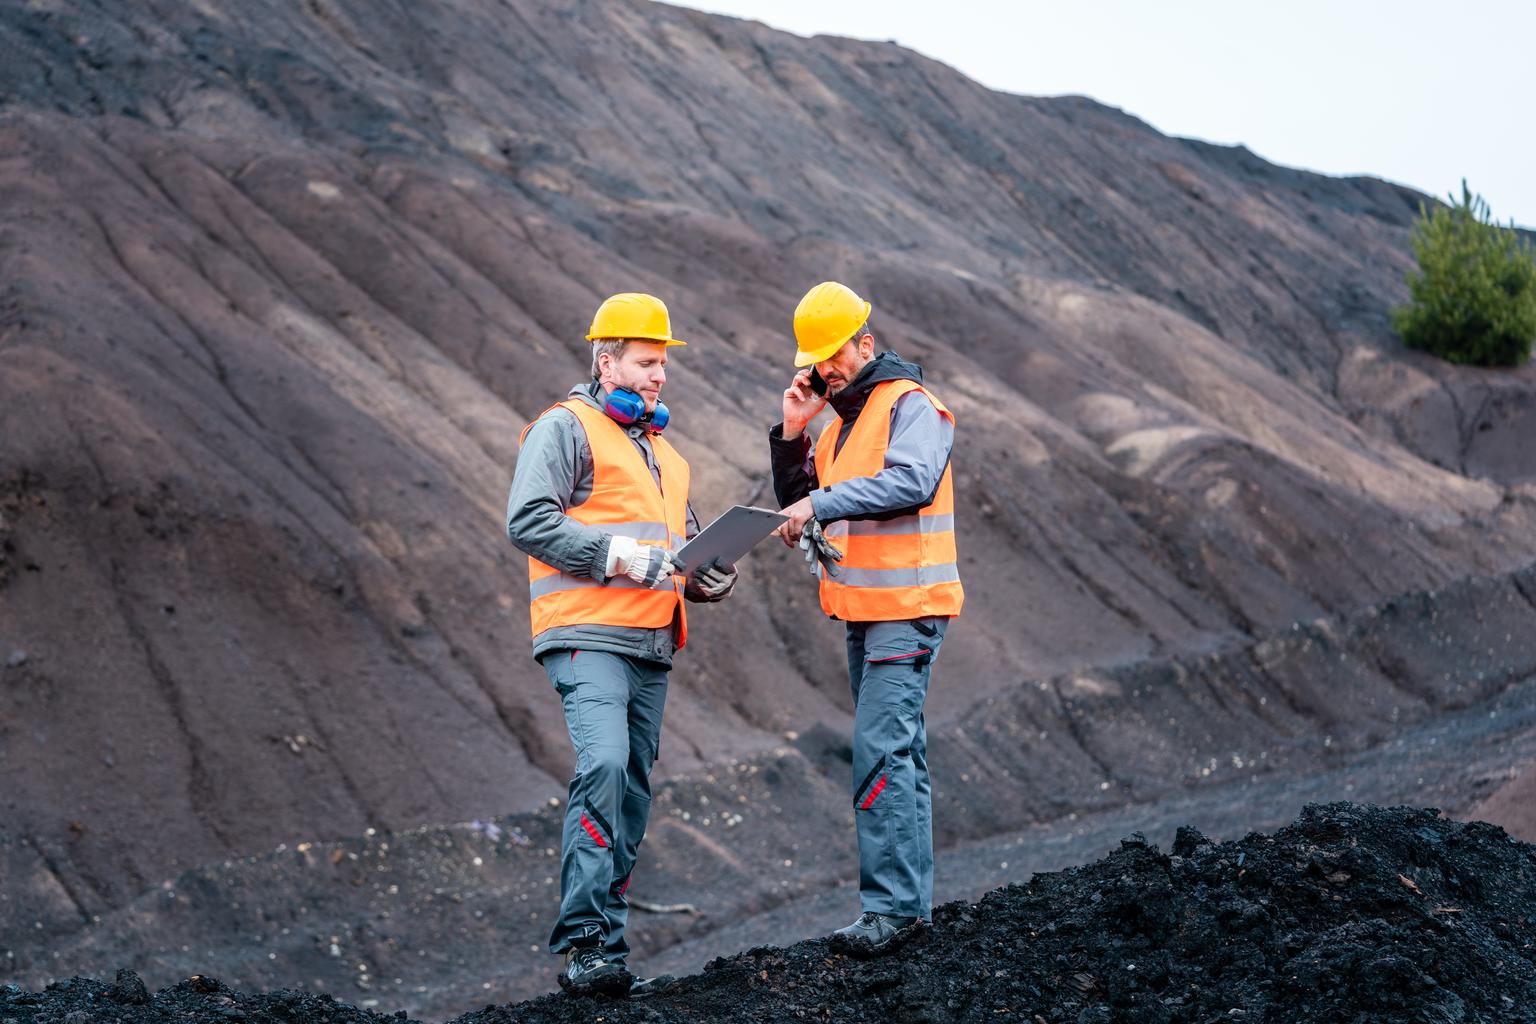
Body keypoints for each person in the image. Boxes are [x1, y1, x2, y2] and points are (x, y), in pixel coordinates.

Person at [506, 292, 737, 997]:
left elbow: (676, 553)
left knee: (632, 793)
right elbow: (528, 520)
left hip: (651, 643)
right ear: (606, 363)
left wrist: (708, 577)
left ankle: (607, 946)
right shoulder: (563, 429)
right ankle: (582, 946)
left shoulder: (666, 456)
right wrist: (619, 557)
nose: (659, 375)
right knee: (604, 765)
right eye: (646, 362)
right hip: (585, 633)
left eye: (663, 363)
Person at [767, 281, 964, 958]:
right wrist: (793, 435)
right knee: (899, 753)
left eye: (836, 355)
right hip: (865, 611)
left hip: (907, 608)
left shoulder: (911, 406)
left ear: (867, 343)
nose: (827, 370)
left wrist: (820, 508)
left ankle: (891, 910)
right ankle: (909, 910)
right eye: (818, 361)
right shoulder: (840, 427)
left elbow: (911, 482)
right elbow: (803, 499)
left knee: (880, 750)